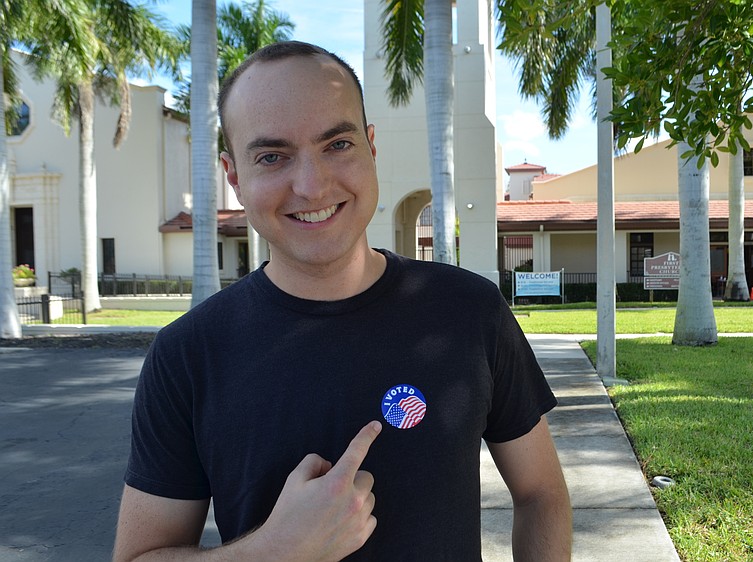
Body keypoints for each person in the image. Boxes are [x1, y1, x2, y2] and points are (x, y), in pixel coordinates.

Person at [113, 40, 571, 561]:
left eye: (337, 145)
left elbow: (541, 494)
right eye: (272, 156)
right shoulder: (188, 355)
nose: (311, 185)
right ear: (234, 176)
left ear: (370, 148)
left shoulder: (468, 310)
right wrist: (275, 550)